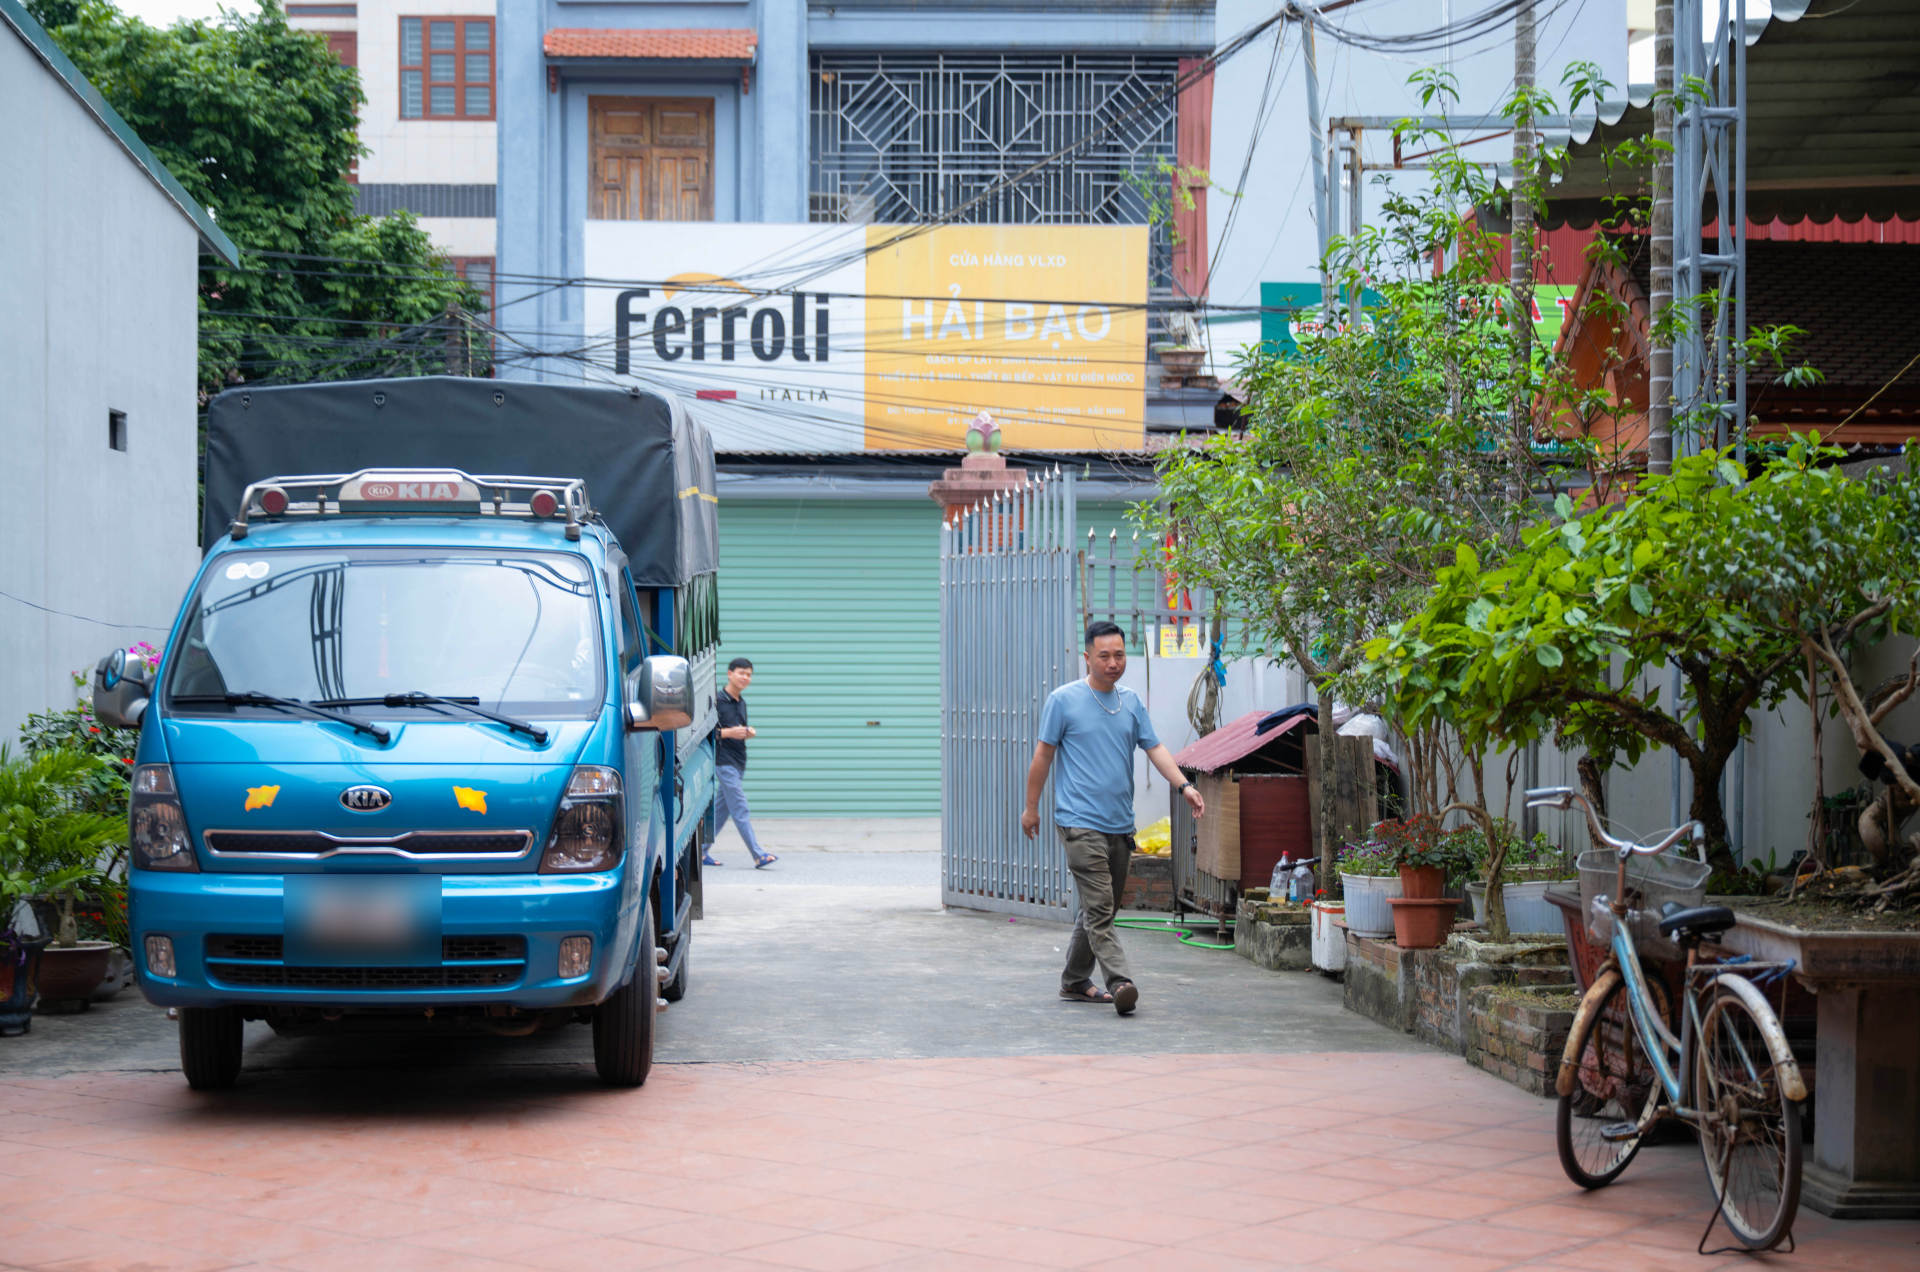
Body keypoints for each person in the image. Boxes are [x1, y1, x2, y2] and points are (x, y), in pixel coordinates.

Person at [1022, 621, 1204, 1015]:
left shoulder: (1131, 702)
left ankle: (1073, 981)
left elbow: (1155, 748)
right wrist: (1031, 807)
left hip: (1120, 826)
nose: (1112, 662)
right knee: (1102, 908)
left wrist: (1184, 786)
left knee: (1098, 907)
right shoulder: (1063, 700)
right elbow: (1043, 756)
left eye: (1119, 654)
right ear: (1087, 657)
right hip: (1078, 822)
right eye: (1103, 655)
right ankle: (1120, 981)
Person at [710, 657, 777, 869]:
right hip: (723, 761)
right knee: (740, 807)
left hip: (738, 763)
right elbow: (705, 733)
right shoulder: (717, 700)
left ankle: (701, 851)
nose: (745, 677)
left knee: (722, 810)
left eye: (748, 674)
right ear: (730, 674)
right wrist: (729, 732)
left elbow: (739, 731)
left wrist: (747, 732)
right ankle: (758, 854)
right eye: (741, 673)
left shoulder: (741, 702)